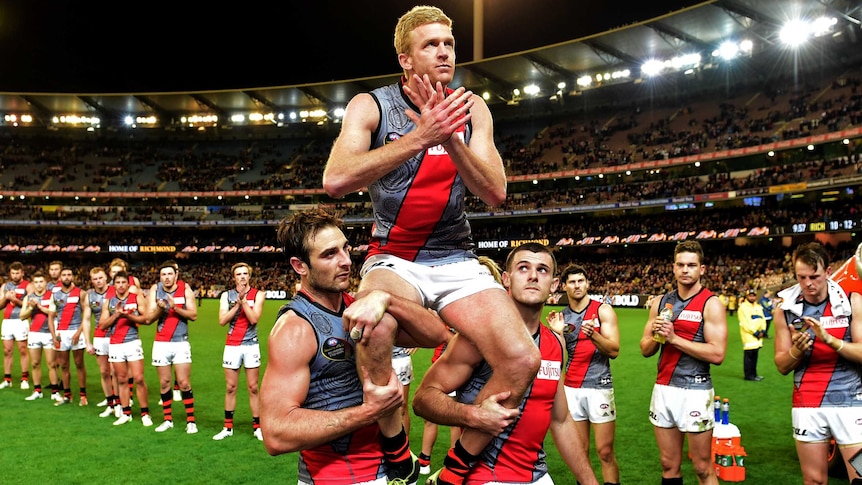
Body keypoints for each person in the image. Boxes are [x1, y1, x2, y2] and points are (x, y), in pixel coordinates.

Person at [323, 6, 541, 483]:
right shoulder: (371, 105)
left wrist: (450, 137)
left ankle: (457, 465)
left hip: (458, 257)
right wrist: (420, 135)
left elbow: (496, 193)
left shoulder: (473, 107)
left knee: (524, 359)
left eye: (448, 43)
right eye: (430, 44)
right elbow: (336, 179)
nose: (444, 51)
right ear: (405, 59)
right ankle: (396, 445)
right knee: (374, 328)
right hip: (394, 256)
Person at [412, 243, 599, 485]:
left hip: (537, 476)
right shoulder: (477, 338)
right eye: (523, 268)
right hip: (484, 477)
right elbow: (423, 399)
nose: (533, 276)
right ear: (506, 279)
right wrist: (472, 415)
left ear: (553, 285)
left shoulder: (555, 343)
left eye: (542, 270)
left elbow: (560, 420)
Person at [260, 208, 403, 485]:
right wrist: (369, 412)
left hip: (386, 469)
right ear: (300, 266)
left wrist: (385, 297)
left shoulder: (361, 308)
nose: (346, 261)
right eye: (329, 254)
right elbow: (275, 434)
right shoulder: (295, 328)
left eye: (345, 249)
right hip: (331, 477)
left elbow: (435, 335)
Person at [639, 240, 727, 485]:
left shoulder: (711, 304)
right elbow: (645, 349)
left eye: (691, 265)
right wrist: (656, 337)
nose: (685, 270)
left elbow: (718, 354)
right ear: (673, 267)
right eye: (680, 265)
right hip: (664, 388)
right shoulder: (660, 302)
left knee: (701, 467)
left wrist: (674, 338)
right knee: (668, 464)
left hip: (695, 390)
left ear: (702, 269)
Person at [774, 242, 862, 483]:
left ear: (828, 271)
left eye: (815, 276)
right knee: (814, 481)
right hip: (807, 404)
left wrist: (830, 340)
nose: (808, 284)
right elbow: (781, 365)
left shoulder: (851, 300)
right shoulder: (785, 309)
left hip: (851, 403)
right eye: (802, 277)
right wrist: (796, 350)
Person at [548, 264, 621, 485]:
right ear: (564, 286)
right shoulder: (561, 317)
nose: (577, 285)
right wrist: (556, 335)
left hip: (600, 386)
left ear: (587, 284)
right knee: (581, 452)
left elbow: (614, 350)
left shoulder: (602, 310)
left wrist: (594, 336)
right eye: (572, 282)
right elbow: (557, 358)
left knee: (605, 451)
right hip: (572, 389)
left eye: (581, 281)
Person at [214, 262, 265, 441]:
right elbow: (222, 320)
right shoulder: (226, 296)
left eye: (245, 273)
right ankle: (227, 428)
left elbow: (254, 319)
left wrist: (243, 301)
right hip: (232, 345)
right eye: (238, 274)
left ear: (249, 276)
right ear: (233, 277)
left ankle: (257, 427)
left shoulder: (258, 295)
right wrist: (236, 305)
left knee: (253, 388)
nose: (242, 277)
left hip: (251, 345)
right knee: (230, 387)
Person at [147, 260, 199, 434]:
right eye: (163, 274)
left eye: (170, 274)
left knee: (184, 383)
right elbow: (148, 318)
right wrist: (160, 310)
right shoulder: (155, 290)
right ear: (160, 276)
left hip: (180, 342)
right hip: (161, 343)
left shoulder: (185, 290)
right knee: (164, 383)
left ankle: (191, 421)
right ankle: (167, 420)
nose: (167, 277)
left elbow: (193, 315)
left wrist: (175, 307)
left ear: (176, 275)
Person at [99, 271, 152, 427]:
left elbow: (146, 318)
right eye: (118, 282)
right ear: (114, 284)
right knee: (121, 379)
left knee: (139, 378)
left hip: (132, 342)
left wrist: (129, 317)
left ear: (129, 284)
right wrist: (116, 315)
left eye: (123, 282)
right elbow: (102, 325)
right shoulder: (109, 302)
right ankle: (125, 412)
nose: (121, 285)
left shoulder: (136, 298)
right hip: (115, 344)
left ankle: (145, 413)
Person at [53, 267, 94, 406]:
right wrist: (54, 334)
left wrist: (79, 332)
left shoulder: (81, 293)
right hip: (61, 333)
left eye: (69, 274)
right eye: (63, 275)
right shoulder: (55, 295)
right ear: (60, 278)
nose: (66, 277)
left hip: (76, 331)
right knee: (63, 365)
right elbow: (51, 315)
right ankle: (67, 395)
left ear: (73, 276)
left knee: (79, 363)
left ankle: (83, 395)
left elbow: (87, 316)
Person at [19, 272, 56, 401]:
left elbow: (54, 313)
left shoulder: (52, 296)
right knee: (35, 363)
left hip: (49, 333)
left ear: (46, 283)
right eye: (36, 282)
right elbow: (22, 316)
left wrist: (39, 306)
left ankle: (55, 391)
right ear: (33, 284)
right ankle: (37, 390)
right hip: (34, 333)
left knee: (51, 363)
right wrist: (31, 308)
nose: (39, 284)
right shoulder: (28, 297)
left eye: (41, 281)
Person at [88, 266, 119, 417]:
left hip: (115, 335)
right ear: (91, 281)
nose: (98, 281)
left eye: (100, 278)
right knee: (104, 371)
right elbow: (87, 320)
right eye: (95, 279)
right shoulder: (90, 296)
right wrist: (88, 342)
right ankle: (110, 403)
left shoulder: (116, 290)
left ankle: (119, 403)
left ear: (106, 278)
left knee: (115, 371)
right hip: (99, 336)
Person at [1, 261, 33, 390]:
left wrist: (15, 300)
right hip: (7, 321)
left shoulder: (28, 286)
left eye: (17, 273)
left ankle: (24, 378)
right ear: (10, 273)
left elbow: (30, 305)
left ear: (22, 273)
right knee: (7, 351)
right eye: (13, 273)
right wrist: (6, 298)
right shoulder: (5, 286)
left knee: (22, 350)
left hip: (21, 320)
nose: (15, 276)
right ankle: (7, 379)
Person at [737, 288, 766, 381]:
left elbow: (763, 319)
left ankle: (754, 374)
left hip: (758, 335)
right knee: (749, 355)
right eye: (750, 295)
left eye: (753, 295)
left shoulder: (757, 306)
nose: (752, 297)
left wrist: (763, 330)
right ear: (747, 296)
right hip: (749, 335)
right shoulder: (743, 307)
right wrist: (755, 332)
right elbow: (745, 323)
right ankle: (749, 375)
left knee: (755, 355)